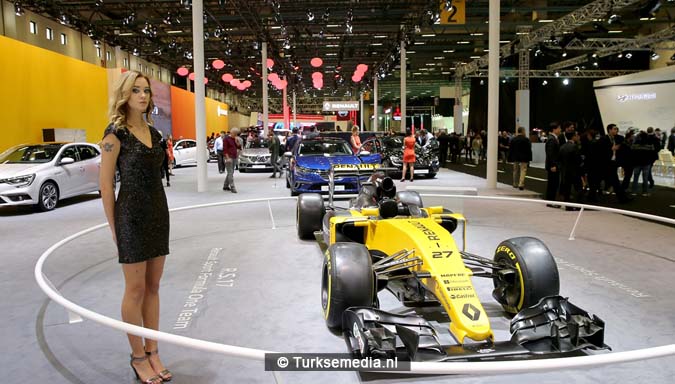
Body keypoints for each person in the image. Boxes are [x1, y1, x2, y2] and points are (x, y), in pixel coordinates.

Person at [99, 70, 170, 384]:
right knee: (136, 289)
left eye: (146, 90)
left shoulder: (155, 134)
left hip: (158, 213)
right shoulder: (115, 134)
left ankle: (153, 351)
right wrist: (115, 227)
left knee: (154, 287)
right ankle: (138, 356)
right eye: (136, 91)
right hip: (130, 217)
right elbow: (105, 185)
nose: (143, 95)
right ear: (125, 96)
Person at [558, 130, 584, 210]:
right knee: (579, 189)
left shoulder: (562, 147)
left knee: (567, 190)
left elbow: (560, 160)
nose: (578, 137)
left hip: (565, 171)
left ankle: (568, 206)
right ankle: (578, 206)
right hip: (575, 171)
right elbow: (578, 160)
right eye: (576, 135)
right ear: (573, 137)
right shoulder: (574, 147)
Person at [545, 122, 561, 207]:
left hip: (553, 165)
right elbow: (550, 154)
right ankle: (551, 201)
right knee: (553, 184)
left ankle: (550, 201)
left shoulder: (552, 138)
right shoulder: (552, 139)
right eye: (559, 128)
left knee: (553, 184)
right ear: (554, 129)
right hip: (553, 166)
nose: (560, 130)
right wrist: (553, 165)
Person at [223, 128, 241, 193]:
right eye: (235, 134)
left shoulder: (235, 139)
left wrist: (237, 142)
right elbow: (225, 149)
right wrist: (227, 158)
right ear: (232, 133)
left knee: (231, 172)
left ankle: (225, 185)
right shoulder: (226, 139)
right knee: (230, 172)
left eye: (237, 134)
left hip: (234, 157)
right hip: (229, 157)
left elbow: (239, 147)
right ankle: (232, 187)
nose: (236, 135)